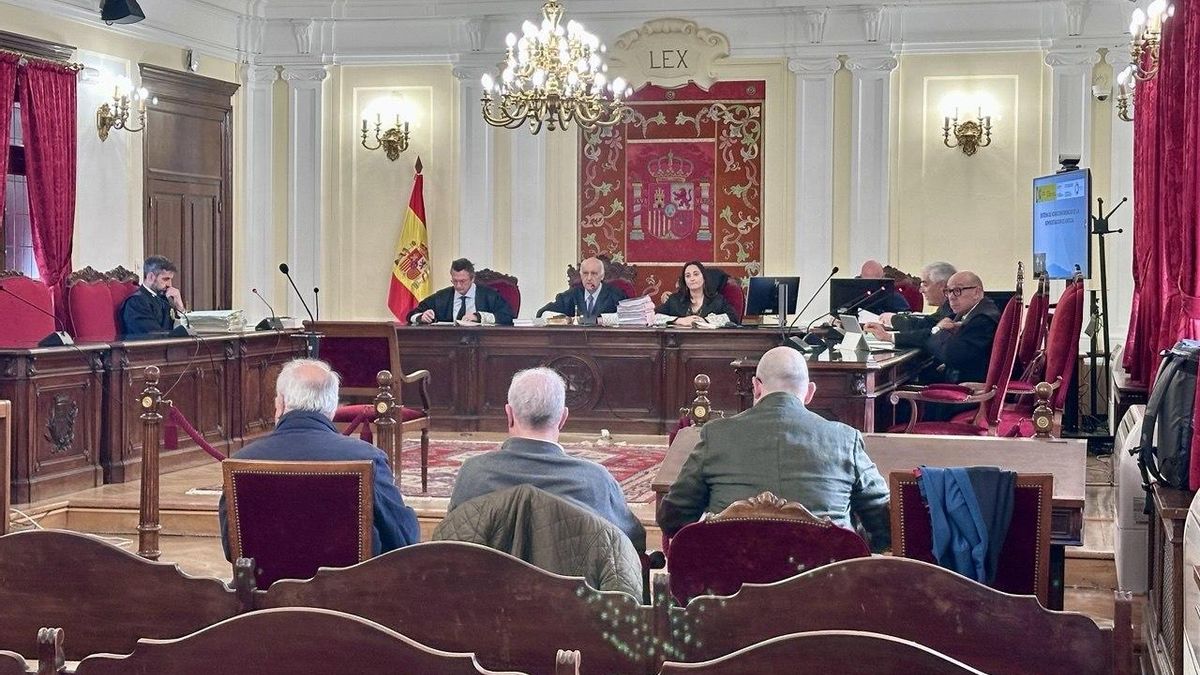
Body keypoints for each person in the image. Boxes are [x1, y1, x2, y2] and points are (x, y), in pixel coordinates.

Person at [656, 346, 890, 552]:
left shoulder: (716, 435)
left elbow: (673, 516)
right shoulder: (846, 439)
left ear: (756, 387)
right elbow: (884, 523)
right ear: (809, 392)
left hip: (729, 590)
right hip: (828, 589)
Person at [218, 359, 420, 559]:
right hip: (350, 589)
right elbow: (403, 540)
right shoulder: (367, 458)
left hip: (268, 590)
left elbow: (232, 548)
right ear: (333, 408)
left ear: (280, 404)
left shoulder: (242, 461)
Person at [448, 367, 647, 551]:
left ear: (509, 415)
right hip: (573, 589)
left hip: (489, 588)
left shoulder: (473, 473)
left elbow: (450, 543)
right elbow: (631, 545)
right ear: (562, 418)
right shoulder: (596, 481)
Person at [925, 270, 1000, 385]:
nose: (951, 297)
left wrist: (938, 330)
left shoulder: (982, 319)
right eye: (948, 291)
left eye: (957, 291)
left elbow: (950, 355)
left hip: (970, 392)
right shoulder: (971, 312)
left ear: (977, 292)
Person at [862, 261, 956, 348]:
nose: (921, 290)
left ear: (941, 286)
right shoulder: (946, 307)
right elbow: (926, 324)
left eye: (925, 285)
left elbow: (930, 334)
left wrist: (889, 332)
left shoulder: (955, 308)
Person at [407, 258, 516, 325]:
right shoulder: (441, 297)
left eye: (463, 281)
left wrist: (478, 317)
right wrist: (421, 317)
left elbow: (507, 316)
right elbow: (411, 314)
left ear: (472, 278)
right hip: (448, 347)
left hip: (482, 345)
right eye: (455, 281)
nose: (458, 286)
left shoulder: (490, 296)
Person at [537, 256, 628, 319]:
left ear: (602, 276)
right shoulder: (570, 296)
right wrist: (565, 319)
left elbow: (628, 319)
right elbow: (542, 313)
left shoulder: (616, 296)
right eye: (585, 273)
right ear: (580, 275)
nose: (589, 278)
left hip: (607, 343)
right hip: (576, 344)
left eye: (594, 273)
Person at [120, 255, 187, 337]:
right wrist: (184, 332)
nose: (169, 284)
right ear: (151, 277)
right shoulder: (136, 302)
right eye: (165, 279)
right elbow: (152, 336)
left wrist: (179, 307)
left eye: (170, 279)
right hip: (145, 349)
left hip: (168, 348)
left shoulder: (164, 298)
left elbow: (178, 327)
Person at [657, 261, 737, 327]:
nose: (692, 279)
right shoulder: (674, 300)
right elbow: (653, 316)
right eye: (688, 276)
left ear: (704, 277)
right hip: (679, 343)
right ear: (685, 281)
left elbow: (733, 318)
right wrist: (679, 320)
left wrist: (705, 321)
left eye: (696, 274)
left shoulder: (717, 300)